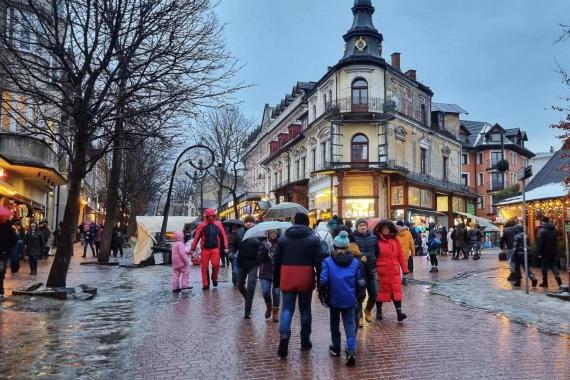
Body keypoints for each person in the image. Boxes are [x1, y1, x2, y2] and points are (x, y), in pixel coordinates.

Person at [274, 212, 325, 359]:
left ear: (294, 222)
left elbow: (276, 262)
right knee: (305, 310)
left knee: (287, 309)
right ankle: (305, 340)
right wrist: (321, 282)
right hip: (305, 275)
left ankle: (284, 335)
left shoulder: (283, 239)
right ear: (307, 222)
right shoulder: (313, 239)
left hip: (287, 275)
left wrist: (277, 281)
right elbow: (319, 262)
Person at [318, 231, 365, 367]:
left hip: (334, 298)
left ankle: (336, 347)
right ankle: (351, 351)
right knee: (350, 325)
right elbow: (360, 281)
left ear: (335, 247)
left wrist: (322, 294)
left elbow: (323, 280)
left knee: (334, 324)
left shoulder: (327, 261)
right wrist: (358, 295)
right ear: (347, 247)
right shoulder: (355, 262)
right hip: (349, 298)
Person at [373, 220, 409, 321]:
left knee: (396, 291)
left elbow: (400, 255)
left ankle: (399, 312)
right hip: (381, 270)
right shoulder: (376, 241)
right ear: (380, 229)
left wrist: (405, 268)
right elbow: (374, 256)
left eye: (387, 228)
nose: (386, 230)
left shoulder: (395, 240)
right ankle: (379, 311)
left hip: (394, 270)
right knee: (380, 292)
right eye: (384, 228)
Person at [190, 208, 228, 290]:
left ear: (214, 216)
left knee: (216, 265)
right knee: (204, 267)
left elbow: (223, 235)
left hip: (215, 248)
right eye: (209, 216)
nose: (211, 218)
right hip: (205, 249)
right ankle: (205, 284)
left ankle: (214, 278)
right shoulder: (201, 225)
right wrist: (192, 248)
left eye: (212, 216)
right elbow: (196, 237)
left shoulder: (218, 224)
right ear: (206, 216)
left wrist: (225, 247)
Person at [353, 218, 379, 324]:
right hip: (360, 272)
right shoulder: (353, 238)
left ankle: (368, 310)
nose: (363, 227)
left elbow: (377, 252)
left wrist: (372, 259)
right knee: (360, 295)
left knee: (374, 294)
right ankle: (359, 316)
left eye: (364, 225)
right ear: (357, 227)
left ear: (367, 226)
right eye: (360, 225)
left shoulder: (373, 237)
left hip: (371, 270)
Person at [236, 215, 261, 319]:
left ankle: (247, 311)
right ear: (244, 223)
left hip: (254, 263)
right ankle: (248, 298)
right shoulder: (239, 232)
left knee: (251, 284)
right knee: (239, 285)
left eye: (251, 222)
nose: (249, 223)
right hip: (242, 262)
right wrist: (231, 253)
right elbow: (234, 245)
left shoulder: (259, 232)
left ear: (254, 223)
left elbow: (261, 244)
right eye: (247, 222)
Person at [258, 229, 281, 322]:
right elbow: (259, 258)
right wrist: (265, 249)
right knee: (265, 291)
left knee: (276, 292)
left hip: (277, 272)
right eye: (271, 232)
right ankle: (269, 306)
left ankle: (275, 312)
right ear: (268, 233)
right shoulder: (264, 243)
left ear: (277, 233)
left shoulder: (281, 243)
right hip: (265, 271)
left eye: (274, 232)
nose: (273, 234)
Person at [536, 217, 563, 288]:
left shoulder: (542, 230)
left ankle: (545, 282)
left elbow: (540, 243)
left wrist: (539, 253)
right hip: (553, 251)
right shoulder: (554, 230)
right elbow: (556, 241)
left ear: (542, 221)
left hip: (544, 252)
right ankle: (559, 280)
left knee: (544, 267)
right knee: (553, 266)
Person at [511, 224, 538, 288]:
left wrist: (512, 256)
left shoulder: (516, 236)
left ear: (517, 230)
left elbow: (515, 247)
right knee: (526, 268)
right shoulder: (526, 236)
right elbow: (528, 245)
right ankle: (533, 277)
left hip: (518, 254)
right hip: (526, 253)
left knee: (517, 268)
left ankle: (518, 282)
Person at [0, 211, 17, 297]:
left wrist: (7, 249)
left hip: (3, 253)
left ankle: (0, 290)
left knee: (1, 271)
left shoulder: (9, 228)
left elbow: (14, 240)